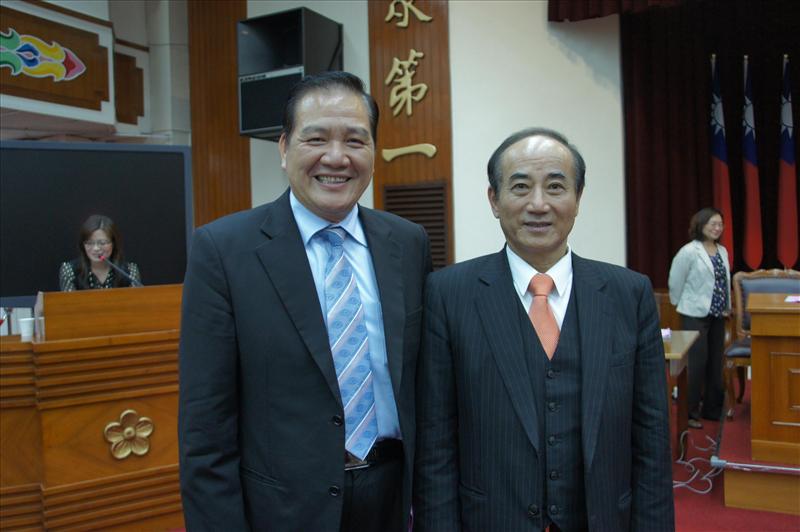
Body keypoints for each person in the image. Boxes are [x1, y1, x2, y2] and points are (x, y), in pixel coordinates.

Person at [178, 71, 431, 531]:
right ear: (283, 148)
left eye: (355, 140)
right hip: (283, 508)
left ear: (373, 151)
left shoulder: (408, 243)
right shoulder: (224, 251)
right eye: (316, 138)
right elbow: (205, 430)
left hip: (393, 497)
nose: (336, 157)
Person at [414, 128, 674, 531]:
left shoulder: (629, 294)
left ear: (578, 198)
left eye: (555, 186)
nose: (539, 204)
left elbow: (652, 438)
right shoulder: (448, 294)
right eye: (520, 187)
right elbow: (436, 443)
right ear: (494, 200)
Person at [668, 207, 731, 429]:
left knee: (715, 362)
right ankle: (690, 412)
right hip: (694, 313)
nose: (717, 228)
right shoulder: (689, 251)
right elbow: (675, 280)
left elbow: (724, 282)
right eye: (713, 224)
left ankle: (712, 410)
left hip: (718, 314)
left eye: (720, 224)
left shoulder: (722, 251)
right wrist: (680, 303)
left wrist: (727, 306)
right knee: (696, 363)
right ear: (701, 225)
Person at [58, 214, 141, 291]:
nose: (96, 248)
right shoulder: (70, 271)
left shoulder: (129, 272)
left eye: (102, 243)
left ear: (114, 243)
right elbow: (69, 302)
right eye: (89, 243)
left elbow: (136, 301)